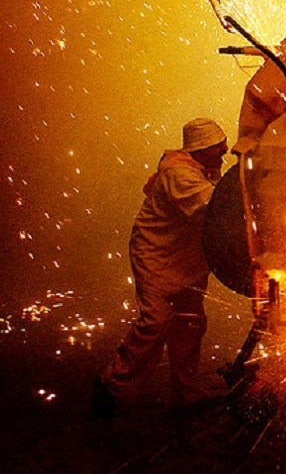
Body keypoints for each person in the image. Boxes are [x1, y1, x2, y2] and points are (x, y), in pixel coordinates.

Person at [92, 118, 228, 418]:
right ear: (201, 148)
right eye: (218, 148)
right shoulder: (179, 174)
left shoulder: (202, 168)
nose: (224, 152)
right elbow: (212, 205)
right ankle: (111, 384)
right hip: (157, 254)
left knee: (189, 324)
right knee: (155, 321)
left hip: (186, 257)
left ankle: (186, 396)